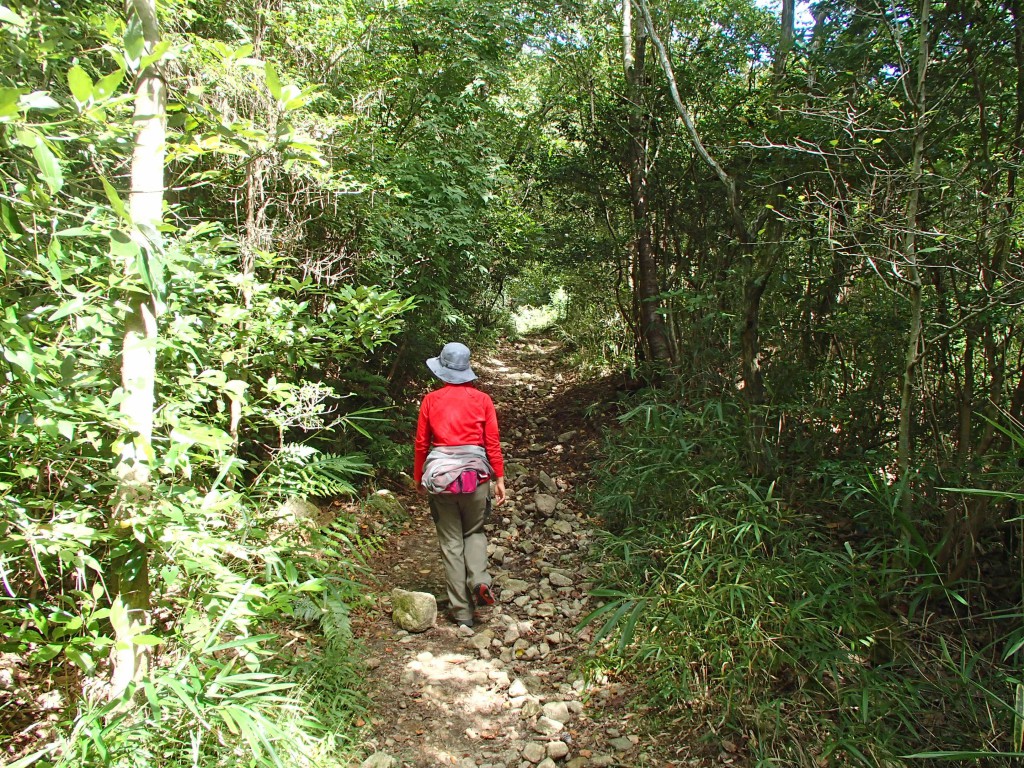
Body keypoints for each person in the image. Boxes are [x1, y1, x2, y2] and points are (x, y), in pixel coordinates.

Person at [413, 342, 507, 628]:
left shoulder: (431, 400)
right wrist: (499, 478)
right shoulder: (483, 400)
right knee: (474, 531)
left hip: (441, 480)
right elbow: (491, 442)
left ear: (442, 371)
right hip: (476, 478)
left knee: (451, 543)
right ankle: (479, 579)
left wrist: (418, 478)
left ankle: (462, 612)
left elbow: (421, 443)